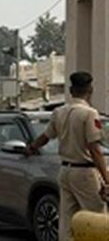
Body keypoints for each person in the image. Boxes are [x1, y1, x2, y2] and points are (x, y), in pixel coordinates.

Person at [27, 71, 108, 241]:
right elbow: (94, 149)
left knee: (67, 219)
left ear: (71, 91)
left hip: (65, 171)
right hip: (85, 173)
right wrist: (106, 178)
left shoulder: (59, 112)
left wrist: (31, 147)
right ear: (90, 90)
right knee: (96, 218)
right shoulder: (89, 114)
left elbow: (45, 137)